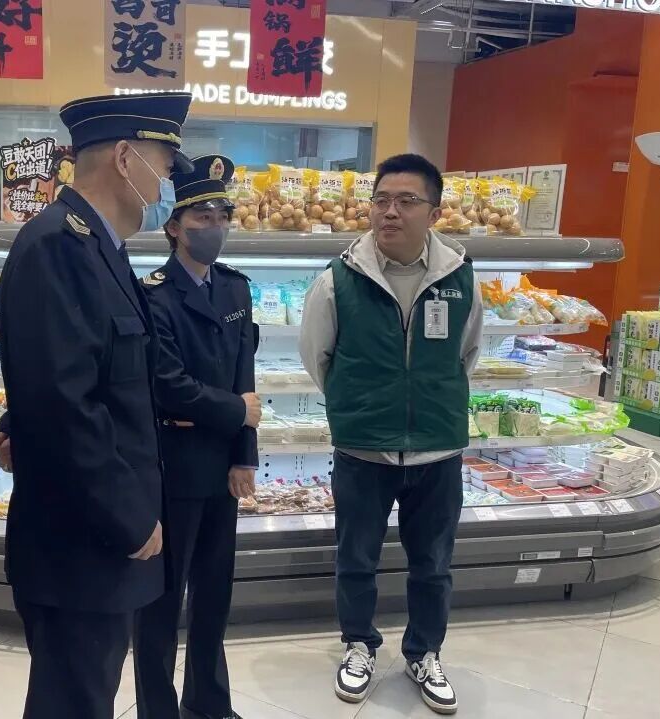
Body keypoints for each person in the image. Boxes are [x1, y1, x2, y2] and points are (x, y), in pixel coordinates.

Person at [0, 91, 194, 719]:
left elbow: (81, 371)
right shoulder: (59, 245)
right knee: (73, 701)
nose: (166, 185)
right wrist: (129, 518)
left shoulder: (100, 247)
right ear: (126, 159)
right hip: (81, 543)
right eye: (164, 166)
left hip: (93, 538)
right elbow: (67, 407)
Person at [299, 153, 482, 715]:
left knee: (434, 564)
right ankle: (358, 644)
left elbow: (466, 354)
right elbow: (317, 356)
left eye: (406, 201)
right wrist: (363, 406)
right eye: (381, 200)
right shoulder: (339, 278)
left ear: (434, 212)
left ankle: (424, 652)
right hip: (363, 448)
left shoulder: (459, 277)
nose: (390, 212)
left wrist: (423, 399)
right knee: (356, 558)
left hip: (438, 447)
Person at [133, 155, 259, 719]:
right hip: (173, 469)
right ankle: (157, 710)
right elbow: (169, 385)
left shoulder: (234, 290)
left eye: (221, 215)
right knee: (160, 605)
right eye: (201, 216)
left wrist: (245, 455)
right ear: (174, 226)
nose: (214, 225)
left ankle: (209, 704)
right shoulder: (153, 296)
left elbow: (244, 374)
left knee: (214, 597)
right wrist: (236, 412)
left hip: (223, 470)